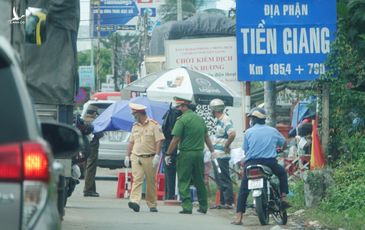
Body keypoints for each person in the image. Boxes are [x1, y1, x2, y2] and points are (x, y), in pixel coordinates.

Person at [232, 107, 288, 225]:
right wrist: (280, 149)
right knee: (282, 174)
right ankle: (283, 198)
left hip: (251, 164)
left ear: (254, 120)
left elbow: (245, 150)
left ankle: (238, 217)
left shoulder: (248, 132)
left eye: (251, 119)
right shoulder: (273, 131)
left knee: (243, 189)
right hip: (269, 162)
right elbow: (284, 143)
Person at [165, 97, 215, 214]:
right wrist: (212, 151)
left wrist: (168, 153)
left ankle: (187, 206)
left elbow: (175, 138)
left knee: (184, 180)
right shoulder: (200, 119)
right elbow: (206, 137)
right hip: (199, 154)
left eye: (179, 106)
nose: (178, 108)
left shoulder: (182, 120)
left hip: (186, 154)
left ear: (184, 107)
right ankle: (203, 206)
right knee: (199, 180)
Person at [124, 103, 165, 213]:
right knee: (137, 179)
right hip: (136, 156)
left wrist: (157, 155)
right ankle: (135, 201)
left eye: (135, 114)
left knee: (151, 181)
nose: (134, 116)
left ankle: (152, 204)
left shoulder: (154, 125)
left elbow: (159, 141)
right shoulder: (135, 126)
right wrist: (127, 156)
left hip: (150, 157)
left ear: (140, 114)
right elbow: (131, 142)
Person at [209, 98, 236, 209]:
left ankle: (228, 202)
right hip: (217, 154)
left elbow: (232, 134)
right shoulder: (218, 120)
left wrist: (226, 146)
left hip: (222, 155)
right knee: (219, 178)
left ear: (214, 109)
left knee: (224, 177)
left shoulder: (225, 120)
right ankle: (222, 201)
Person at [161, 105, 181, 199]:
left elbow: (165, 130)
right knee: (173, 171)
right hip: (175, 143)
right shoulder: (178, 114)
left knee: (169, 171)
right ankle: (173, 194)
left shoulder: (170, 112)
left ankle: (169, 195)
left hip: (168, 143)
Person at [83, 104, 103, 197]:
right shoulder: (94, 122)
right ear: (94, 113)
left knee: (86, 167)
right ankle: (88, 190)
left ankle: (91, 188)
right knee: (91, 167)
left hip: (83, 146)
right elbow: (99, 134)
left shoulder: (83, 120)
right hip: (93, 147)